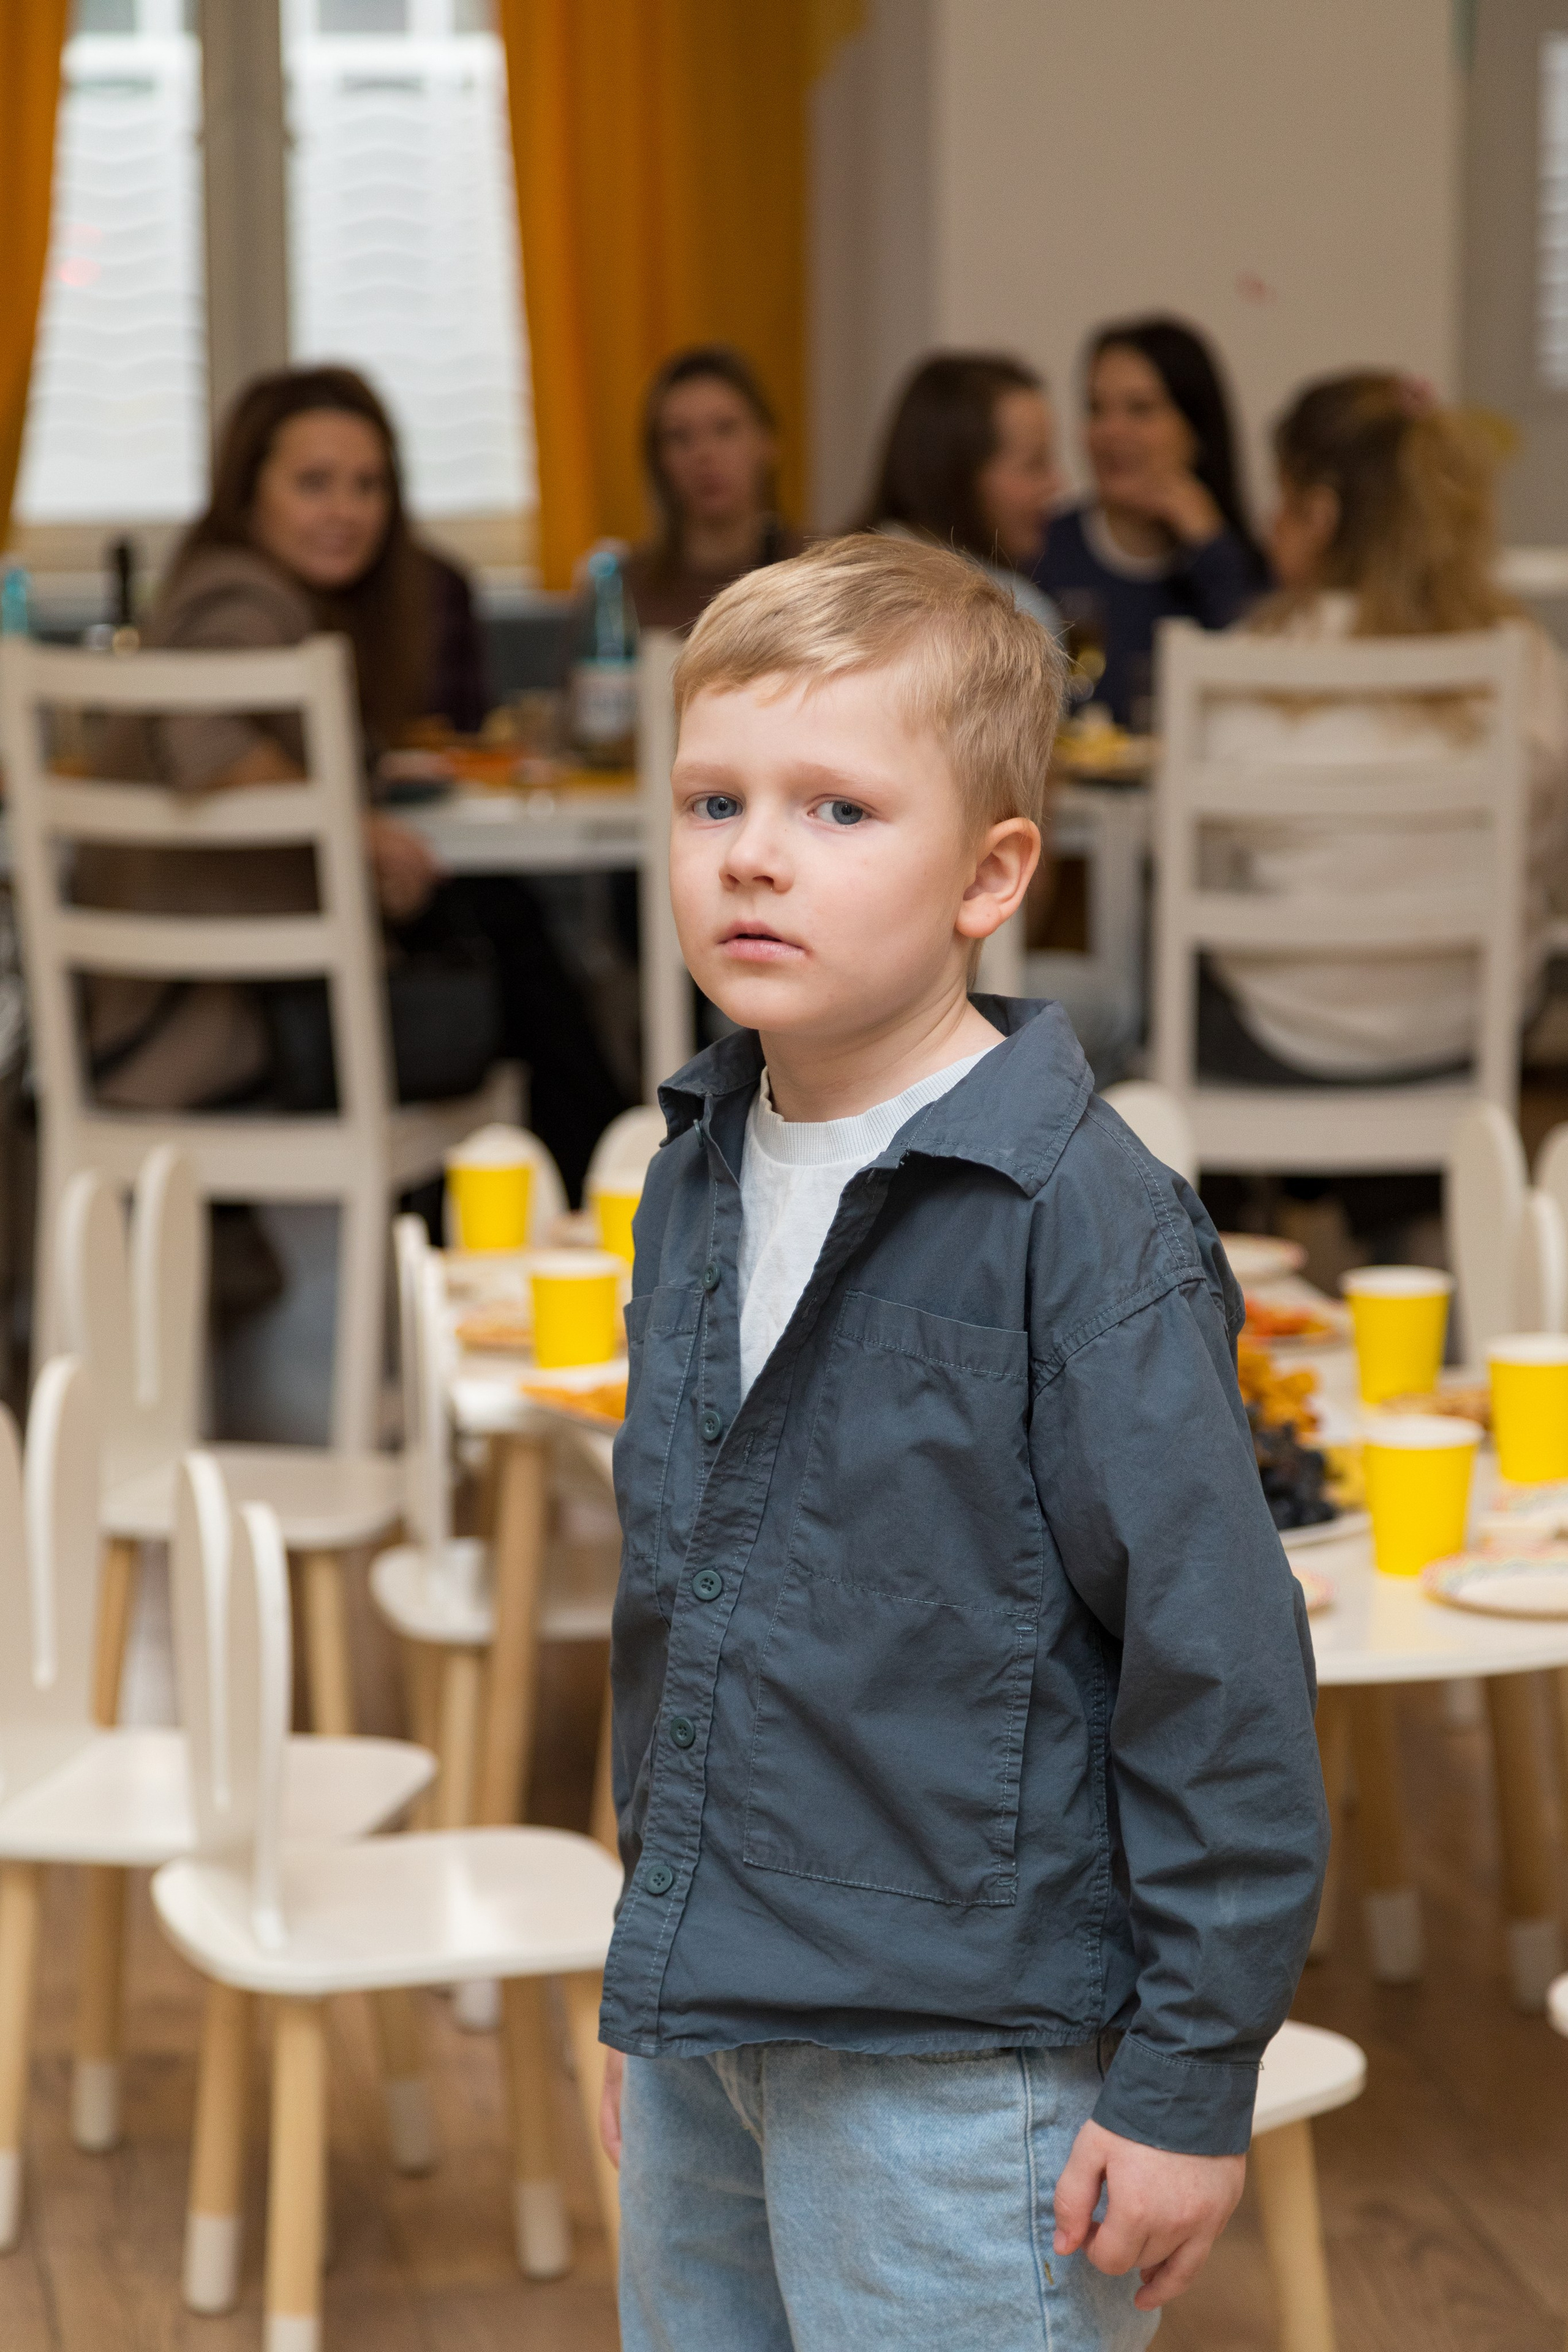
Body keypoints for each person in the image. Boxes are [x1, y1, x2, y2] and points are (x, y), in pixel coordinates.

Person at [597, 535, 1327, 2349]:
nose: (753, 853)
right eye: (713, 800)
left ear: (989, 874)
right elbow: (679, 1612)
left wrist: (1187, 2075)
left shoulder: (1080, 1220)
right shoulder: (691, 1173)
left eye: (837, 808)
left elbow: (1216, 1662)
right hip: (707, 2018)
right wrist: (649, 1962)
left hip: (961, 2065)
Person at [92, 364, 624, 1200]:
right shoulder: (240, 598)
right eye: (314, 483)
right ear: (247, 492)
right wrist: (359, 830)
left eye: (368, 485)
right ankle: (620, 1200)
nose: (347, 510)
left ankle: (589, 1198)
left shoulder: (243, 594)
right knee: (514, 957)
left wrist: (361, 781)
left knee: (495, 930)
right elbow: (204, 739)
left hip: (179, 1010)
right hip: (203, 1030)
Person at [1199, 370, 1568, 1090]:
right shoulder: (1524, 657)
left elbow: (1201, 868)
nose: (1270, 522)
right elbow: (1547, 856)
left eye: (1281, 498)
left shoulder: (1238, 665)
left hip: (1286, 1035)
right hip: (1474, 1029)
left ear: (1320, 514)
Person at [1035, 315, 1267, 726]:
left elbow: (1258, 686)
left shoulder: (1237, 562)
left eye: (1140, 409)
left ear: (1196, 430)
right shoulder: (1043, 547)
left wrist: (1209, 546)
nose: (1110, 432)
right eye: (1096, 409)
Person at [861, 350, 1065, 631]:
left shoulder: (838, 578)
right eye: (1034, 464)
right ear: (958, 472)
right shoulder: (1012, 616)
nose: (1056, 484)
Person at [623, 345, 804, 632]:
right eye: (680, 437)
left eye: (725, 428)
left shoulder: (815, 575)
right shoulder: (622, 590)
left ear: (767, 442)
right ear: (659, 460)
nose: (703, 454)